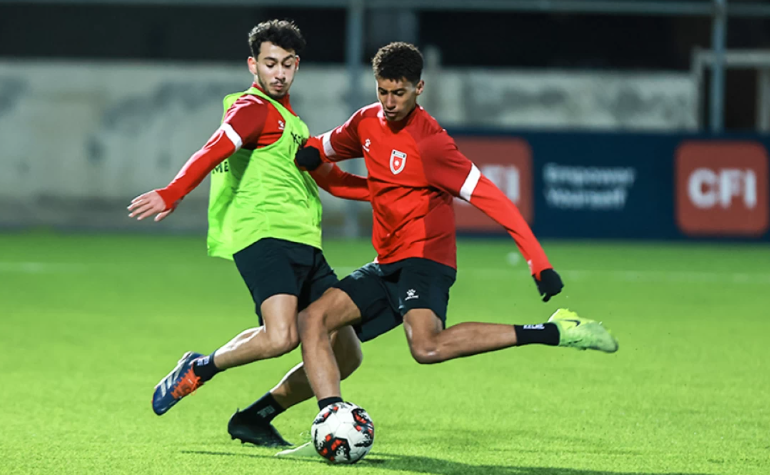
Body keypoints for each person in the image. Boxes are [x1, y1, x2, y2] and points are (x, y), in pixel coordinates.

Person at [290, 42, 619, 415]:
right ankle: (297, 414)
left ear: (419, 88)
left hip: (426, 258)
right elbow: (325, 151)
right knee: (313, 319)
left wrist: (539, 263)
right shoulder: (365, 120)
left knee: (426, 347)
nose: (389, 102)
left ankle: (552, 331)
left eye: (399, 93)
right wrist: (311, 157)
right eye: (382, 91)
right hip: (386, 261)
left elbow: (496, 201)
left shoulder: (432, 144)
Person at [127, 19, 372, 447]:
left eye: (287, 64)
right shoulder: (251, 108)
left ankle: (256, 418)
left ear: (297, 66)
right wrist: (173, 192)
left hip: (304, 243)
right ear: (252, 65)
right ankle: (200, 367)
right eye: (270, 63)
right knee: (281, 337)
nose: (279, 73)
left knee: (348, 353)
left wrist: (390, 190)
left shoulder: (294, 124)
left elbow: (332, 180)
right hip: (263, 235)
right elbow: (213, 148)